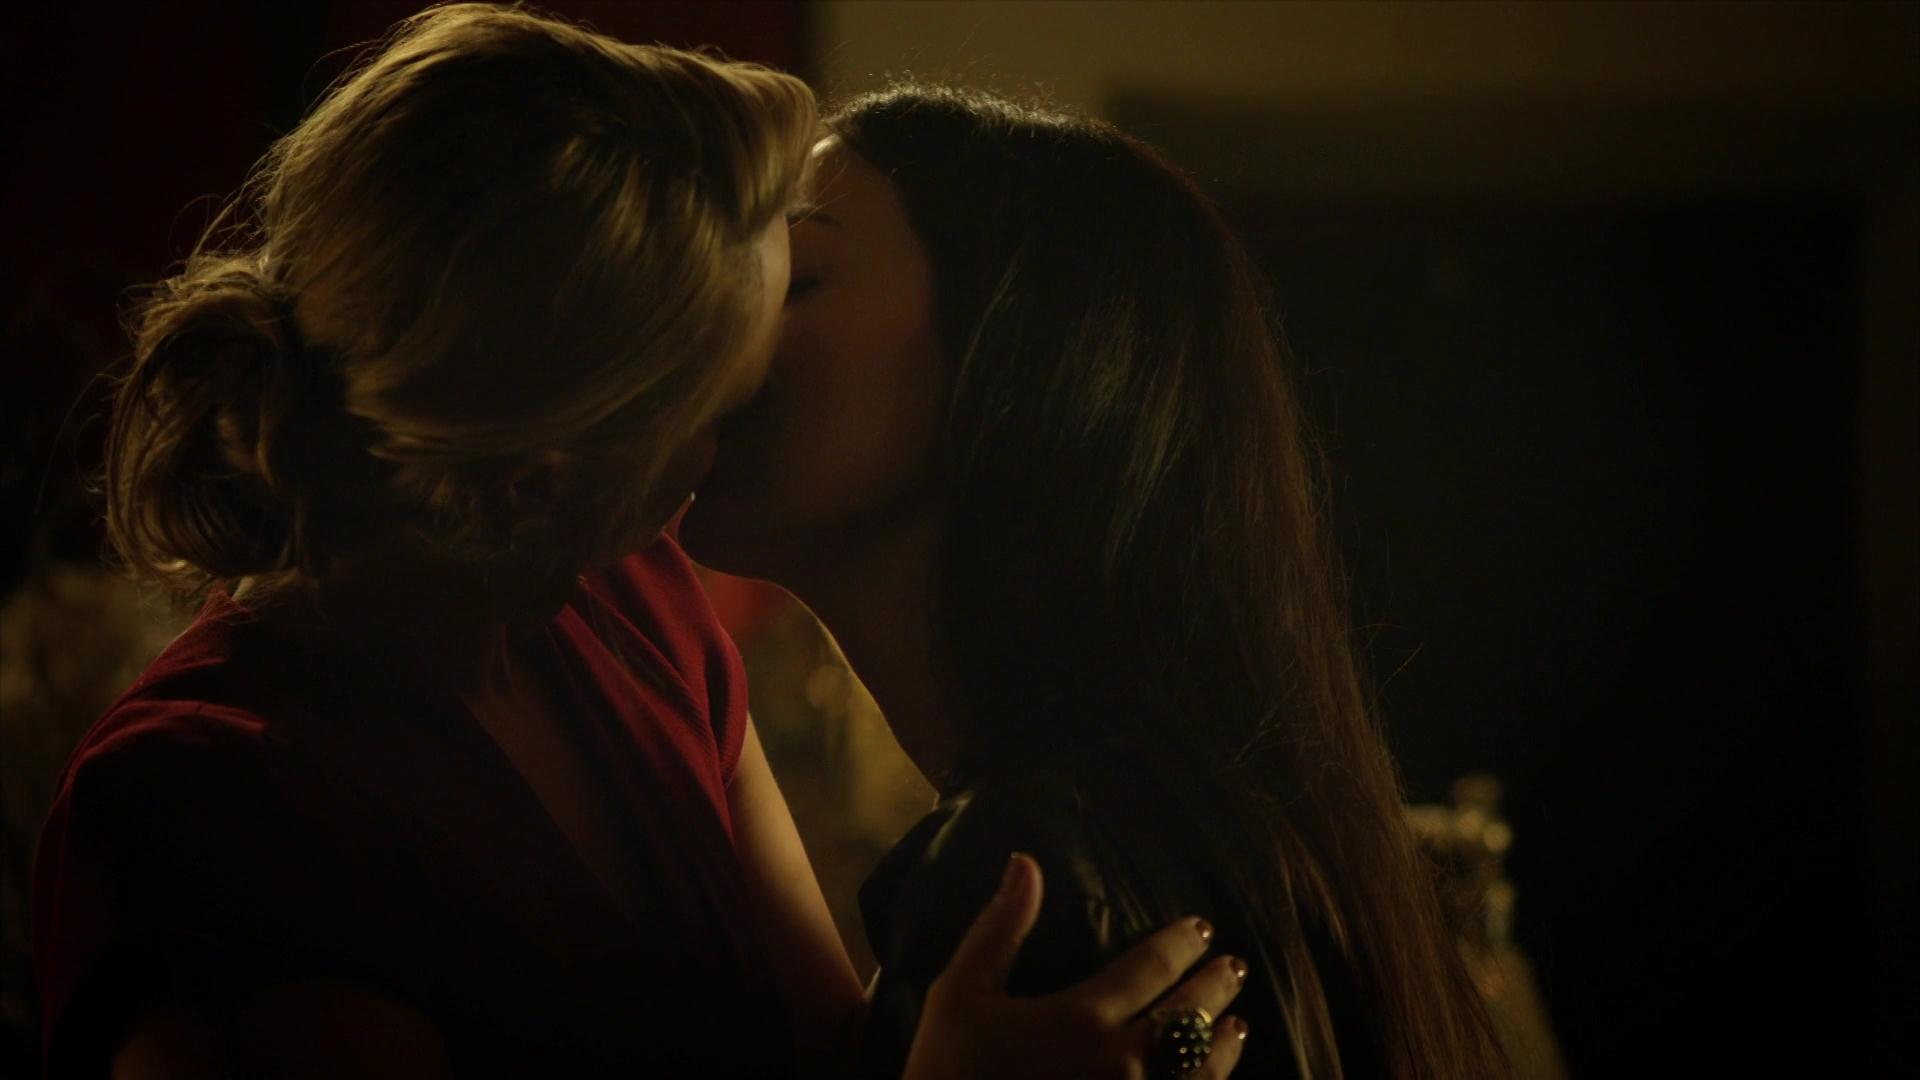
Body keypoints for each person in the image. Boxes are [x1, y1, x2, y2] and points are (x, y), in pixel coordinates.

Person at [30, 9, 1251, 1077]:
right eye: (718, 405)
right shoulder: (210, 799)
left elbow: (837, 1058)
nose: (754, 413)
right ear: (543, 485)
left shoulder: (638, 608)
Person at [679, 85, 1512, 1078]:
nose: (719, 330)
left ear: (1007, 359)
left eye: (798, 278)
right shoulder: (1193, 819)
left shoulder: (1035, 880)